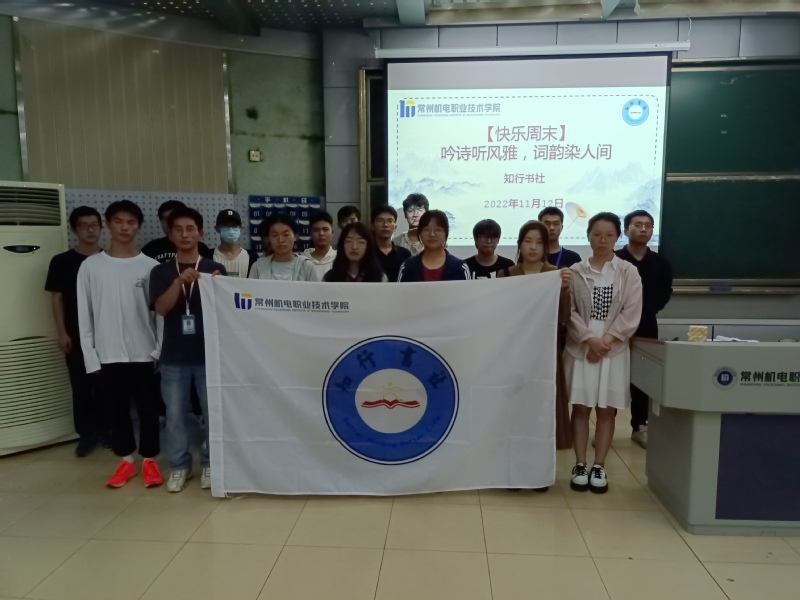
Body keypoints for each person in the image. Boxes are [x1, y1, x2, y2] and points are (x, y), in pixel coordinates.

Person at [76, 200, 163, 488]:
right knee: (117, 411)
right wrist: (91, 356)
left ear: (139, 226)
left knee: (149, 410)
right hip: (108, 353)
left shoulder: (150, 266)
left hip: (144, 352)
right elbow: (85, 314)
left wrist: (158, 350)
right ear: (108, 224)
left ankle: (149, 460)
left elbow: (160, 315)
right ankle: (126, 460)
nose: (125, 227)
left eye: (131, 222)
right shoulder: (91, 267)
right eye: (118, 221)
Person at [150, 207, 227, 493]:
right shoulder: (161, 271)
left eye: (190, 229)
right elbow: (161, 308)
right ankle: (180, 466)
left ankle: (210, 463)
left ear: (201, 233)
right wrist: (178, 283)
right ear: (170, 235)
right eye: (178, 229)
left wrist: (219, 287)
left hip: (209, 356)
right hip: (174, 356)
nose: (185, 234)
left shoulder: (213, 268)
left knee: (212, 413)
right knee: (175, 415)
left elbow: (226, 311)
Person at [565, 212, 642, 494]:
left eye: (609, 235)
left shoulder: (628, 272)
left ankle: (599, 465)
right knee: (581, 407)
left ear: (617, 237)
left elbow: (631, 312)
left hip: (613, 348)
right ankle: (580, 463)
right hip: (581, 346)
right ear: (588, 236)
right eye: (597, 234)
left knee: (607, 409)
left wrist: (605, 341)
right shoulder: (576, 271)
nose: (602, 240)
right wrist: (589, 339)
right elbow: (569, 310)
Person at [498, 221, 573, 452]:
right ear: (520, 244)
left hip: (545, 349)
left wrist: (564, 290)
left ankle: (543, 451)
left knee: (544, 400)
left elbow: (564, 317)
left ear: (546, 247)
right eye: (528, 241)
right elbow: (499, 314)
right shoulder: (506, 274)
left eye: (539, 242)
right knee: (516, 400)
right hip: (515, 350)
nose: (533, 247)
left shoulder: (554, 274)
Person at [45, 206, 108, 457]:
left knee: (105, 386)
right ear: (74, 229)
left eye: (94, 225)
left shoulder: (109, 259)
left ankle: (106, 431)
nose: (90, 230)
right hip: (75, 333)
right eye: (84, 225)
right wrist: (62, 332)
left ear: (101, 228)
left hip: (105, 334)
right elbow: (57, 298)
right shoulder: (61, 262)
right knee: (80, 388)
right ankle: (86, 435)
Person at [616, 210, 673, 449]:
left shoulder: (660, 263)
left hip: (647, 324)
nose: (643, 229)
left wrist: (647, 311)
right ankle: (605, 426)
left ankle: (640, 425)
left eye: (648, 226)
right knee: (612, 374)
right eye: (637, 225)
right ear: (626, 230)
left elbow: (664, 294)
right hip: (615, 326)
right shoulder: (615, 260)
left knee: (643, 377)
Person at [398, 210, 470, 282]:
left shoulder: (459, 267)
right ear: (420, 233)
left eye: (438, 230)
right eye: (427, 229)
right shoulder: (408, 266)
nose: (432, 234)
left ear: (446, 233)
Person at [248, 213, 319, 281]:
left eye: (286, 235)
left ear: (295, 236)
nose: (280, 240)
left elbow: (313, 289)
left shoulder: (306, 266)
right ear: (268, 238)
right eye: (275, 235)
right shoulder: (258, 266)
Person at [142, 200, 212, 263]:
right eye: (165, 219)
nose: (170, 223)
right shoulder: (151, 248)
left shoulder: (201, 249)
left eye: (174, 218)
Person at [212, 209, 257, 278]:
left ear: (241, 229)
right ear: (217, 229)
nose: (231, 229)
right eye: (226, 225)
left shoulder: (252, 257)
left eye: (234, 225)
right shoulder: (207, 257)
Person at [371, 204, 411, 282]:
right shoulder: (366, 253)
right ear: (372, 226)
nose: (385, 225)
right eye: (380, 220)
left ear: (395, 227)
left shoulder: (405, 254)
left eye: (390, 221)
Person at [303, 211, 337, 280]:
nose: (321, 233)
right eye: (316, 230)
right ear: (310, 234)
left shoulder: (339, 259)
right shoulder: (302, 260)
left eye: (325, 229)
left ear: (332, 233)